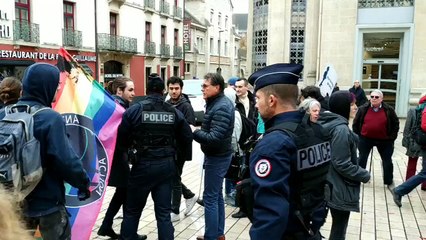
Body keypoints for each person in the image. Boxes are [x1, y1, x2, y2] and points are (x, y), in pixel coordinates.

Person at [0, 63, 91, 240]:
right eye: (57, 85)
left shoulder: (4, 113)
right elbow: (66, 160)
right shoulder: (49, 117)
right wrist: (83, 183)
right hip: (47, 204)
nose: (58, 90)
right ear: (47, 86)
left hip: (13, 202)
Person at [248, 63, 330, 240]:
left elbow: (270, 214)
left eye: (258, 98)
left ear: (271, 100)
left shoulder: (274, 145)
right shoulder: (317, 130)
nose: (256, 105)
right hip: (310, 229)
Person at [118, 74, 193, 240]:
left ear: (147, 90)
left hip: (142, 166)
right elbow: (187, 136)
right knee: (164, 214)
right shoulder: (173, 112)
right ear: (163, 91)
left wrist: (130, 151)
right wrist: (177, 157)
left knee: (132, 211)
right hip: (166, 167)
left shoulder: (135, 110)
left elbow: (121, 138)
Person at [319, 91, 371, 239]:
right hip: (338, 185)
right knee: (339, 228)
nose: (355, 107)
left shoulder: (331, 122)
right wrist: (364, 174)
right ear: (343, 107)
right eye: (352, 104)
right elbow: (341, 163)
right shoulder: (340, 129)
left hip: (328, 183)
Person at [191, 73, 234, 240]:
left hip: (218, 157)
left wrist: (195, 131)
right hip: (217, 155)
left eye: (205, 86)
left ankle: (211, 236)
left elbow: (214, 138)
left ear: (217, 87)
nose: (203, 88)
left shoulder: (221, 106)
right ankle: (218, 234)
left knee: (210, 198)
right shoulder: (216, 103)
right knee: (215, 196)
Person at [98, 77, 138, 239]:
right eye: (130, 90)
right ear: (119, 91)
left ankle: (106, 225)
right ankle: (126, 233)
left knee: (123, 190)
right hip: (116, 156)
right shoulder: (119, 109)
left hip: (112, 155)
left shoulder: (113, 106)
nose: (133, 93)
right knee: (126, 190)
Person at [166, 76, 198, 222]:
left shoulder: (186, 106)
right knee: (172, 176)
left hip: (180, 149)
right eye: (171, 88)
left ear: (181, 89)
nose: (174, 91)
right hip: (168, 148)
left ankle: (175, 210)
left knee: (174, 177)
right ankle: (190, 196)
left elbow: (189, 128)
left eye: (176, 88)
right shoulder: (166, 104)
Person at [352, 89, 399, 188]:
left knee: (387, 161)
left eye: (376, 97)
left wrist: (392, 137)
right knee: (362, 158)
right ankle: (359, 178)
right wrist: (358, 136)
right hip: (365, 139)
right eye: (372, 96)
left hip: (384, 140)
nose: (373, 99)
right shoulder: (363, 108)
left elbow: (395, 124)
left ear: (381, 99)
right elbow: (356, 123)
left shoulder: (389, 109)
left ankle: (389, 181)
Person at [392, 93, 426, 207]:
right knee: (423, 172)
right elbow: (419, 126)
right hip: (417, 142)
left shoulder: (421, 107)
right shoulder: (418, 109)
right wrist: (406, 141)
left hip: (420, 142)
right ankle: (400, 190)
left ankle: (400, 190)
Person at [401, 98, 426, 190]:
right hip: (425, 142)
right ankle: (425, 185)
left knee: (412, 163)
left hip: (414, 141)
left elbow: (408, 127)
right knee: (425, 167)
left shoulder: (413, 110)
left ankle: (408, 183)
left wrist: (405, 141)